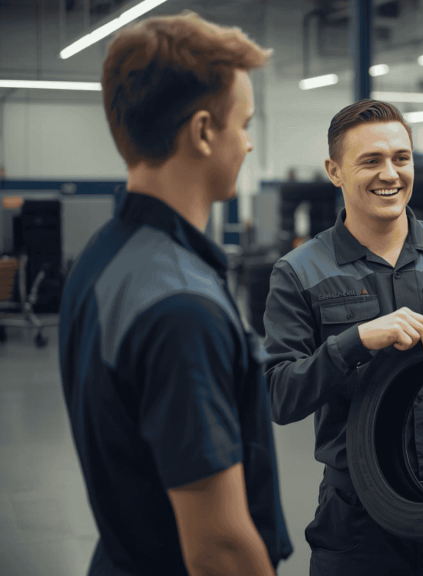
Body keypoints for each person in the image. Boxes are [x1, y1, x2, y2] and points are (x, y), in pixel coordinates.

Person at [58, 12, 292, 576]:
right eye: (244, 122)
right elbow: (219, 550)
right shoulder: (180, 307)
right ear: (204, 131)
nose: (249, 142)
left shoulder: (103, 258)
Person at [261, 99, 423, 576]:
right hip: (358, 522)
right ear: (334, 171)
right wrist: (353, 341)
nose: (391, 173)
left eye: (402, 158)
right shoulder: (298, 273)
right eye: (371, 160)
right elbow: (279, 394)